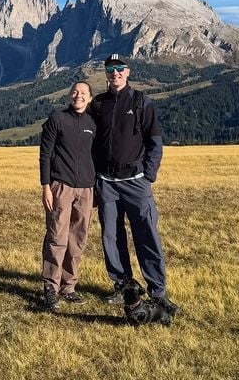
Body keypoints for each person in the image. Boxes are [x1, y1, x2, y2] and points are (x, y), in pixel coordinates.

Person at [90, 54, 180, 315]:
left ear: (127, 72)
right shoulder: (99, 105)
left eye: (119, 69)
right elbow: (92, 144)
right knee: (111, 237)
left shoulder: (142, 102)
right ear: (106, 73)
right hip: (106, 182)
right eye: (110, 69)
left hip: (136, 182)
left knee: (146, 235)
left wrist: (149, 175)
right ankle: (123, 286)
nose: (115, 73)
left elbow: (155, 142)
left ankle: (158, 291)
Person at [38, 81, 97, 311]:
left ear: (90, 98)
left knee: (78, 240)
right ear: (69, 95)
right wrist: (45, 185)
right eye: (75, 91)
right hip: (60, 187)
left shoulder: (94, 123)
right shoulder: (58, 119)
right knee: (57, 237)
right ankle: (50, 287)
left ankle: (68, 287)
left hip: (86, 188)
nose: (78, 95)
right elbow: (45, 154)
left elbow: (98, 156)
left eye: (83, 93)